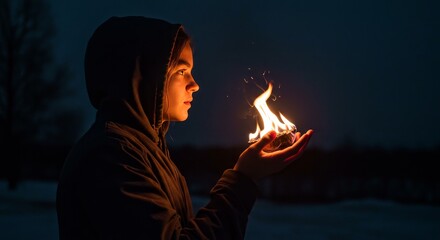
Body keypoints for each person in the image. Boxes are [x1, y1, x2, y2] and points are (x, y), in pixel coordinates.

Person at [56, 16, 313, 240]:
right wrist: (242, 180)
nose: (195, 84)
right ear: (144, 78)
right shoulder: (110, 157)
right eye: (181, 70)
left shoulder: (147, 151)